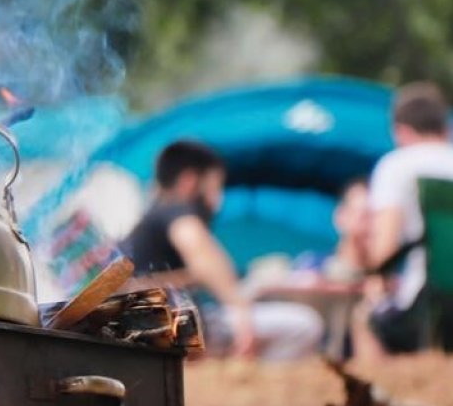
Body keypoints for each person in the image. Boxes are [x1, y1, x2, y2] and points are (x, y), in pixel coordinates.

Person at [120, 140, 323, 361]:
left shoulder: (151, 219)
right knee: (304, 325)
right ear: (190, 181)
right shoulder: (176, 211)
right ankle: (254, 385)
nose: (218, 202)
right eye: (216, 188)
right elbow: (196, 246)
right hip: (177, 332)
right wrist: (241, 311)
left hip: (156, 333)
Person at [363, 82, 453, 352]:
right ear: (445, 127)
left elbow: (385, 243)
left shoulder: (396, 165)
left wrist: (375, 288)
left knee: (365, 318)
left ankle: (374, 393)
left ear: (400, 130)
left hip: (427, 305)